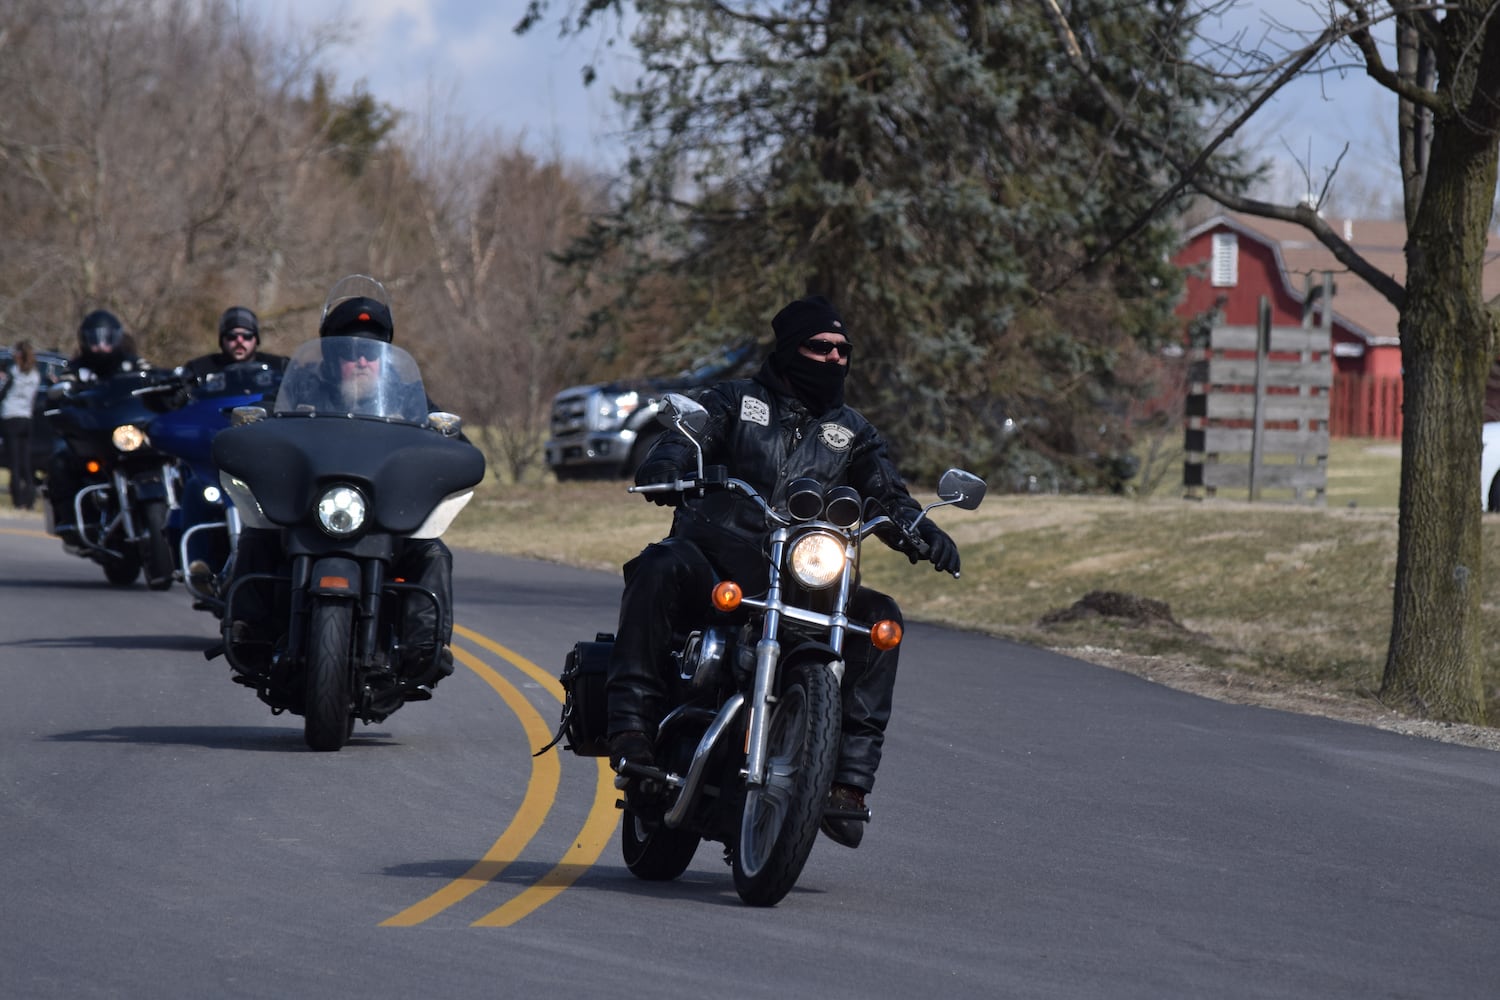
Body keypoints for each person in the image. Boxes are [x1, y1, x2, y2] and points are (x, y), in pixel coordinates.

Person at [605, 294, 961, 849]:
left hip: (807, 576)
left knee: (880, 619)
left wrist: (923, 532)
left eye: (844, 349)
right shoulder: (734, 399)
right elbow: (686, 437)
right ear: (792, 348)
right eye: (821, 347)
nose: (835, 358)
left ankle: (848, 783)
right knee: (659, 565)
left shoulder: (853, 432)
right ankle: (630, 726)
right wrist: (670, 464)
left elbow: (888, 494)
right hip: (719, 558)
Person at [226, 281, 457, 690]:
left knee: (431, 551)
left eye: (371, 352)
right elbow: (261, 420)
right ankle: (249, 629)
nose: (363, 361)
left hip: (382, 518)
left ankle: (426, 646)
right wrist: (256, 425)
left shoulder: (407, 397)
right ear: (333, 358)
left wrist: (449, 442)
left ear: (384, 356)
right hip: (307, 512)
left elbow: (451, 440)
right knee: (257, 535)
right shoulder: (298, 389)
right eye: (351, 353)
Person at [46, 310, 151, 535]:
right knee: (59, 457)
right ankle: (70, 520)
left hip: (128, 432)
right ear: (85, 340)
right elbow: (59, 394)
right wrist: (61, 396)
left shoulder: (133, 364)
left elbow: (154, 380)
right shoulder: (77, 369)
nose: (101, 345)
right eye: (95, 339)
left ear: (117, 338)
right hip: (94, 435)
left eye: (107, 338)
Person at [179, 306, 287, 379]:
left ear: (256, 339)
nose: (239, 341)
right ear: (222, 340)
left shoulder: (280, 366)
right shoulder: (199, 369)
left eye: (247, 336)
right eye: (232, 336)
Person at [0, 340, 42, 509]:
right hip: (26, 418)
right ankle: (30, 498)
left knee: (14, 462)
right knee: (26, 461)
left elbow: (3, 393)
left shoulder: (13, 373)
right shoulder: (35, 375)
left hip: (10, 417)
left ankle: (18, 499)